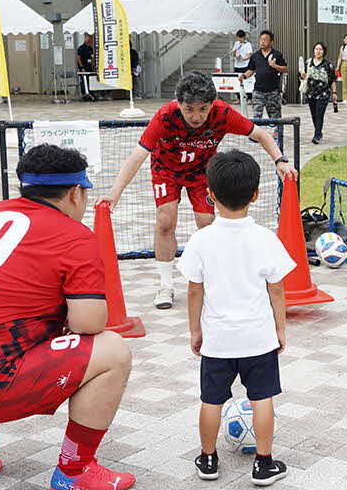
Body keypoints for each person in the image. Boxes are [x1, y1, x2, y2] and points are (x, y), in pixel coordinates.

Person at [0, 144, 136, 490]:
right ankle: (74, 471)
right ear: (76, 192)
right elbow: (90, 323)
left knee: (10, 329)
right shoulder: (75, 236)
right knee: (113, 351)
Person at [99, 71, 296, 310]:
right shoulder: (165, 117)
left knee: (207, 222)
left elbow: (261, 134)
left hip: (202, 171)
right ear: (178, 104)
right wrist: (115, 193)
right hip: (166, 170)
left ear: (212, 103)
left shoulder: (223, 113)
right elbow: (138, 156)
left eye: (203, 109)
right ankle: (165, 284)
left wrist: (280, 160)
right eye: (189, 109)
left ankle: (211, 280)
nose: (196, 116)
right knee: (165, 219)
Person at [178, 150, 296, 486]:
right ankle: (264, 463)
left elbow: (194, 292)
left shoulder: (201, 240)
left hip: (217, 338)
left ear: (210, 194)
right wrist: (280, 328)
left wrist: (195, 330)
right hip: (257, 337)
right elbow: (276, 290)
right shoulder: (265, 239)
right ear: (256, 195)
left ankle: (208, 458)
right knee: (262, 398)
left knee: (211, 399)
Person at [239, 30, 288, 119]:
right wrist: (244, 76)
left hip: (272, 91)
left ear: (271, 42)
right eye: (261, 39)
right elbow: (251, 70)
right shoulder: (255, 55)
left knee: (275, 117)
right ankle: (257, 133)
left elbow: (285, 69)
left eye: (265, 40)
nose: (263, 42)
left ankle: (278, 133)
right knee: (256, 117)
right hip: (258, 91)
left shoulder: (277, 54)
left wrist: (275, 66)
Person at [302, 41, 337, 144]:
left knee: (319, 114)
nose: (318, 51)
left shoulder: (328, 64)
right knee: (314, 114)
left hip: (323, 94)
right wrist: (303, 75)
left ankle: (317, 135)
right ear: (313, 50)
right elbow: (303, 76)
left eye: (320, 49)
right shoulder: (308, 63)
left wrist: (334, 93)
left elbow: (333, 79)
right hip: (311, 93)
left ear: (324, 51)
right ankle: (319, 132)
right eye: (316, 49)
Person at [231, 30, 253, 101]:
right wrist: (235, 55)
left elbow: (249, 55)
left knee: (247, 81)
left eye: (240, 38)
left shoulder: (248, 44)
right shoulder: (236, 43)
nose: (238, 39)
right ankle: (238, 98)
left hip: (245, 65)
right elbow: (233, 53)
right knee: (237, 81)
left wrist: (243, 59)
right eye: (237, 38)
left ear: (243, 37)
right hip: (237, 65)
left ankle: (249, 98)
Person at [76, 33, 97, 101]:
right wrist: (82, 67)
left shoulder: (90, 48)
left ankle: (91, 94)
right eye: (91, 39)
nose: (92, 41)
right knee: (84, 81)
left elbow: (92, 57)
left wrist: (93, 65)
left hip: (90, 67)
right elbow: (78, 58)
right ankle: (84, 95)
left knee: (91, 81)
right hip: (84, 68)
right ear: (87, 39)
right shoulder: (81, 48)